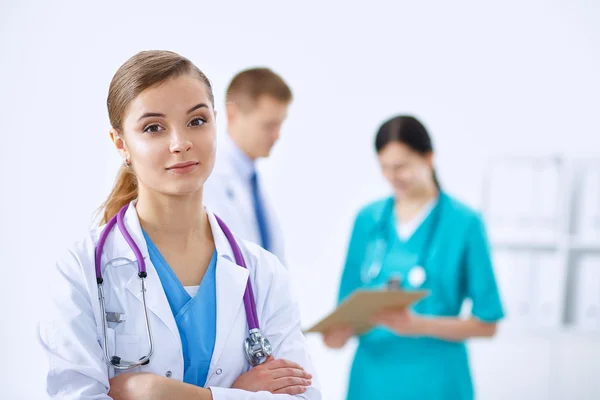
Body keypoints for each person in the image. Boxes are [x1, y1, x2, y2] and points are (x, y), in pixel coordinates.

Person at [37, 50, 320, 400]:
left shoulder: (263, 273)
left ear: (217, 123)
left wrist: (162, 392)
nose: (180, 142)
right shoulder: (81, 270)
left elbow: (303, 395)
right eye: (153, 128)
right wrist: (238, 394)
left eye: (197, 121)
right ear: (120, 144)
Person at [322, 116, 504, 400]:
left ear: (428, 158)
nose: (393, 176)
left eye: (402, 166)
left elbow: (488, 325)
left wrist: (420, 325)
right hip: (371, 383)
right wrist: (336, 335)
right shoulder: (367, 220)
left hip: (438, 383)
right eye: (384, 167)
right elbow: (344, 311)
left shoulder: (464, 223)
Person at [203, 67, 292, 264]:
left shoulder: (252, 181)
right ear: (233, 114)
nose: (277, 135)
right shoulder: (205, 178)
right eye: (269, 125)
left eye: (280, 125)